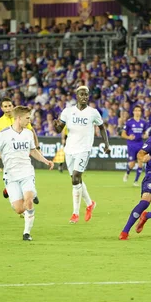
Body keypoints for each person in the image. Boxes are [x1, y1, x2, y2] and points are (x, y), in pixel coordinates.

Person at [0, 106, 54, 241]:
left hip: (27, 173)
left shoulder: (28, 133)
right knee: (19, 209)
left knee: (29, 201)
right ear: (18, 118)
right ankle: (26, 192)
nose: (29, 121)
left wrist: (45, 161)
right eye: (27, 118)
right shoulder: (4, 134)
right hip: (11, 176)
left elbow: (32, 151)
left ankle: (26, 233)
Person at [54, 85, 111, 224]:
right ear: (76, 96)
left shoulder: (93, 112)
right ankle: (90, 203)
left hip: (84, 149)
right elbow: (58, 129)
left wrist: (107, 144)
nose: (84, 97)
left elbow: (102, 128)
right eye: (82, 94)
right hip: (69, 150)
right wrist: (56, 125)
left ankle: (75, 214)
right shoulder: (67, 112)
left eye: (86, 94)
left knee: (75, 179)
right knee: (76, 180)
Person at [0, 97, 40, 204]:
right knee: (13, 177)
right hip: (9, 156)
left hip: (21, 152)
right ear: (2, 108)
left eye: (10, 106)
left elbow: (32, 131)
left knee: (26, 175)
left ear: (13, 106)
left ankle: (29, 194)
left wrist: (37, 147)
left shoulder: (20, 118)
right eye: (5, 106)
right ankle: (25, 195)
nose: (8, 109)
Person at [122, 106, 148, 186]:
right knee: (132, 164)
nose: (137, 112)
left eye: (139, 110)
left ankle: (136, 181)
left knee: (140, 162)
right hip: (131, 145)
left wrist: (145, 136)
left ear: (141, 112)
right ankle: (127, 173)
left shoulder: (143, 123)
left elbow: (145, 134)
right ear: (133, 112)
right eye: (136, 110)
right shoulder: (129, 122)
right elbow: (123, 134)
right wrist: (129, 137)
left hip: (140, 144)